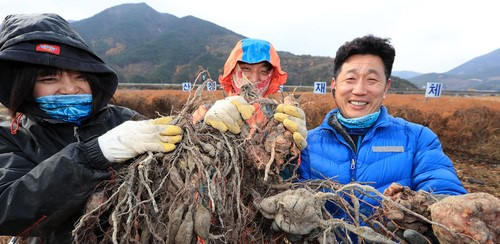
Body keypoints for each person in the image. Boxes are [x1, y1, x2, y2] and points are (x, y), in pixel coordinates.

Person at [0, 13, 183, 242]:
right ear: (24, 86)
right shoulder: (12, 137)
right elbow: (8, 210)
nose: (69, 89)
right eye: (49, 79)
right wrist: (95, 154)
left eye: (79, 77)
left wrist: (203, 121)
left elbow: (176, 147)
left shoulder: (124, 120)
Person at [297, 35, 467, 241]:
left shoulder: (417, 138)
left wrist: (439, 223)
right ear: (334, 84)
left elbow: (444, 189)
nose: (359, 90)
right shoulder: (307, 143)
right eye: (350, 79)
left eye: (372, 80)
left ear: (386, 87)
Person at [194, 38, 307, 150]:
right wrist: (204, 126)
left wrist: (293, 147)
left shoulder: (279, 118)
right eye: (246, 69)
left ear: (272, 77)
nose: (254, 79)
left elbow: (287, 166)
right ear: (231, 72)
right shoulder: (206, 111)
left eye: (263, 71)